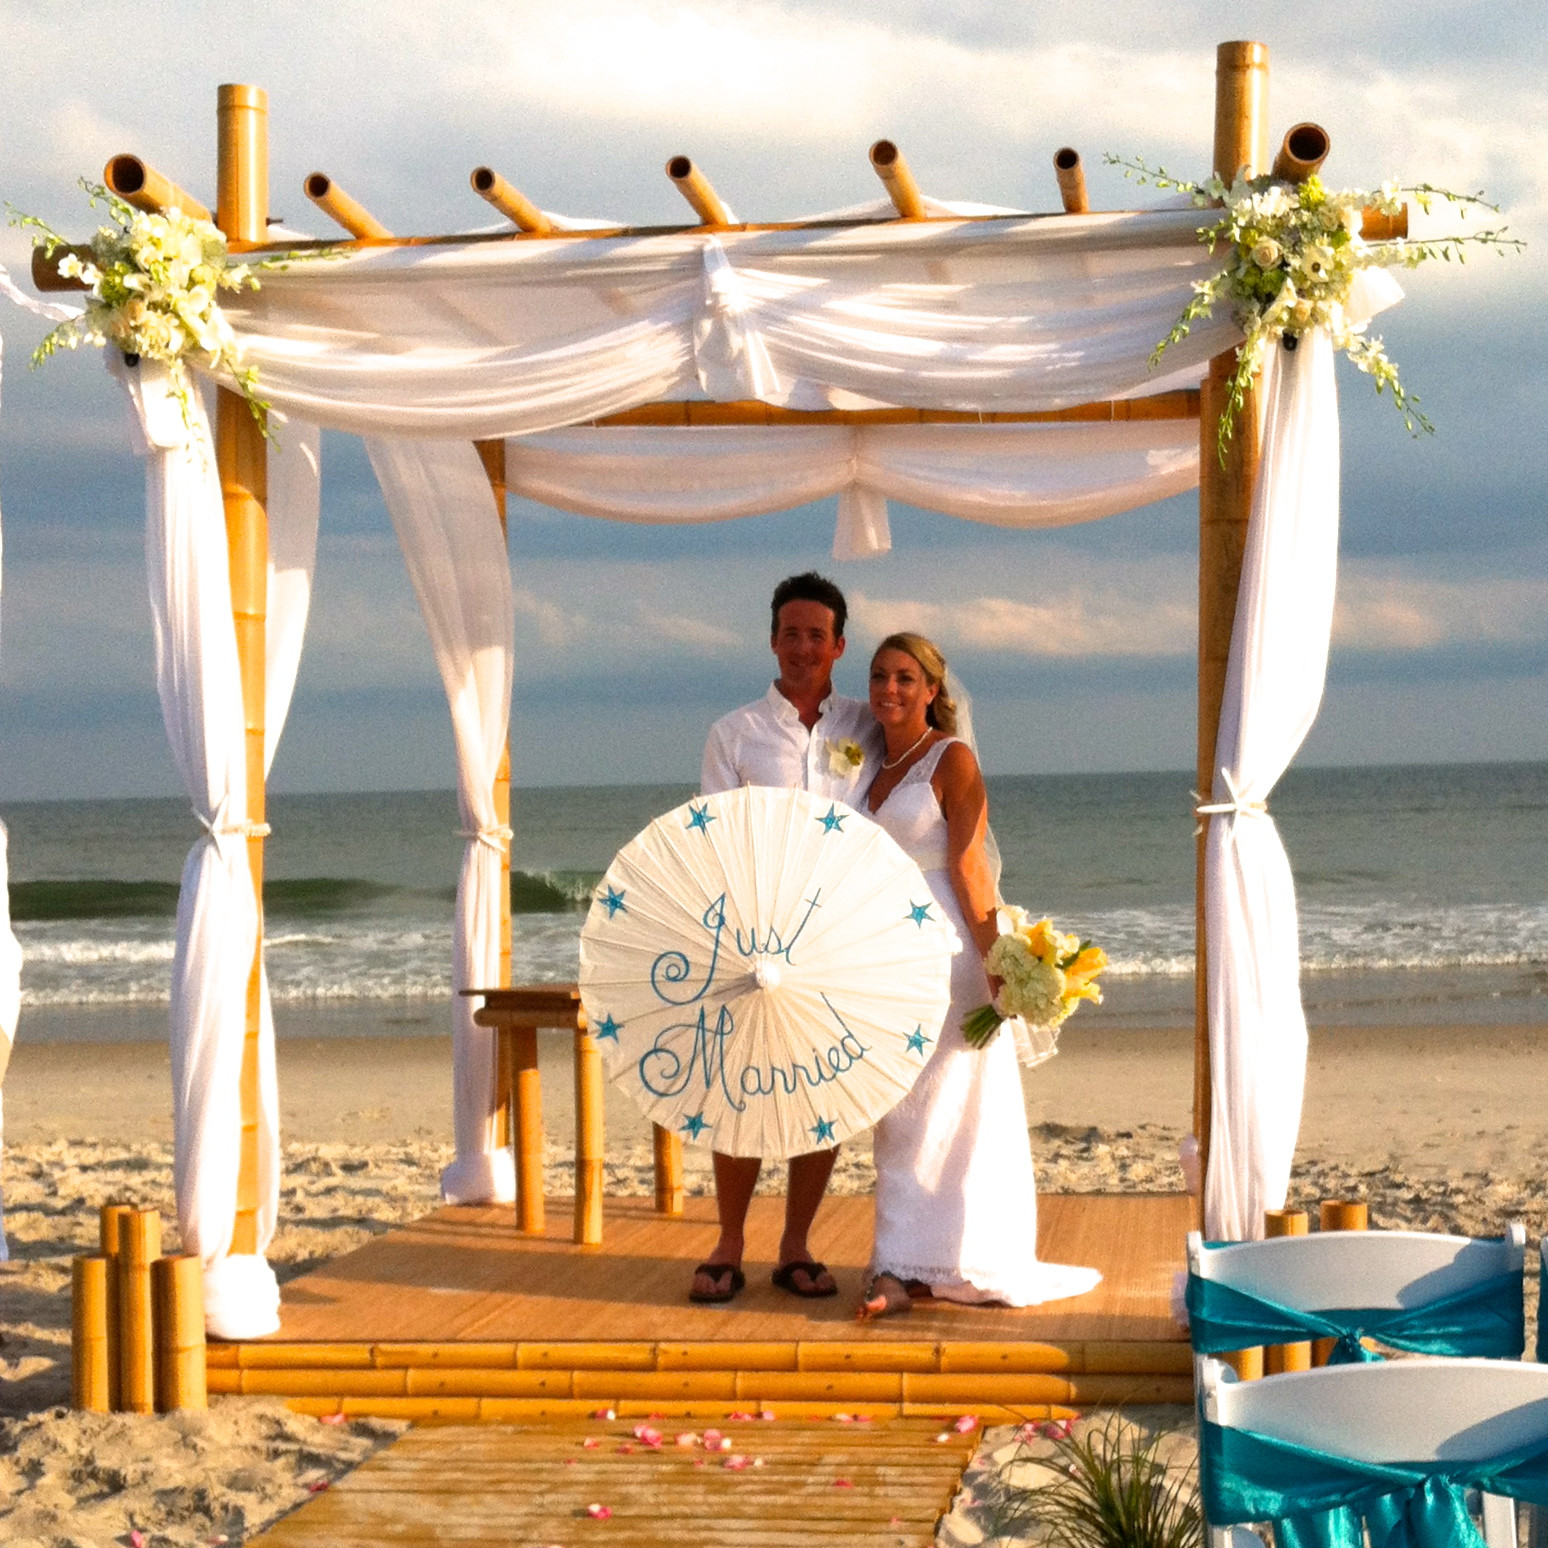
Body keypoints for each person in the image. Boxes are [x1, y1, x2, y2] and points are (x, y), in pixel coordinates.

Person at [856, 632, 1101, 1318]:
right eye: (879, 676)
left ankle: (943, 1260)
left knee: (954, 1108)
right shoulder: (873, 764)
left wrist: (998, 963)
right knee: (898, 1111)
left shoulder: (950, 759)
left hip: (947, 952)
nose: (890, 689)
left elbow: (968, 866)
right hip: (886, 950)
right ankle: (904, 1263)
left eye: (906, 678)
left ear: (933, 690)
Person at [692, 571, 882, 1304]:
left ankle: (796, 1243)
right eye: (791, 633)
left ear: (838, 645)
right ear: (773, 640)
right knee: (737, 1085)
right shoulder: (733, 733)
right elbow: (712, 837)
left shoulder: (866, 725)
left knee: (819, 1085)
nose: (803, 647)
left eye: (817, 635)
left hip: (838, 936)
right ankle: (728, 1242)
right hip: (753, 935)